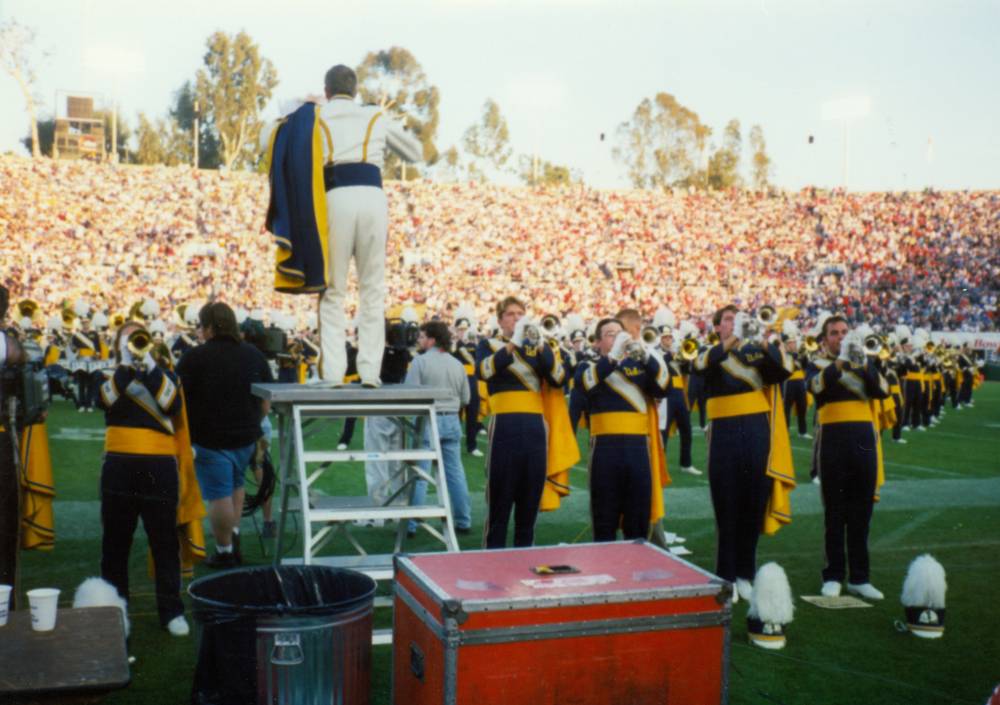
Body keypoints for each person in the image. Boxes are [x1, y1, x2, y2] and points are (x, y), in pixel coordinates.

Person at [261, 65, 422, 387]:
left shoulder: (314, 116)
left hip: (334, 198)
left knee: (332, 290)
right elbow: (415, 152)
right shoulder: (374, 116)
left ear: (327, 89)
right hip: (374, 198)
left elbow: (268, 139)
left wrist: (295, 107)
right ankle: (370, 373)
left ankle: (333, 373)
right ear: (356, 89)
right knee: (372, 289)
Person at [692, 305, 794, 602]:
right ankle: (726, 575)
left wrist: (762, 341)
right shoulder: (710, 352)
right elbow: (698, 367)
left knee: (753, 501)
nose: (734, 323)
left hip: (756, 430)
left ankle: (745, 573)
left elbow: (783, 370)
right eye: (727, 319)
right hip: (723, 431)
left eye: (738, 320)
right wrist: (731, 342)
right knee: (727, 504)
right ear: (717, 327)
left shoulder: (757, 351)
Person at [96, 319, 190, 635]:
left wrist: (149, 365)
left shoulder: (166, 376)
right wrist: (124, 363)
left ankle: (171, 611)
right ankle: (115, 610)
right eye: (126, 340)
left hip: (159, 469)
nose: (133, 345)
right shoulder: (109, 376)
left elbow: (172, 405)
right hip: (118, 467)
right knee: (115, 543)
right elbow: (103, 401)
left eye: (137, 340)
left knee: (164, 540)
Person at [177, 302, 273, 569]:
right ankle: (234, 537)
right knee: (236, 487)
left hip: (210, 440)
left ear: (208, 327)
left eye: (201, 325)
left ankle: (225, 549)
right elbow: (266, 403)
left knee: (219, 495)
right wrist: (250, 425)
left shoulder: (195, 357)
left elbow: (177, 399)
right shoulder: (254, 354)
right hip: (245, 438)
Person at [806, 316, 890, 600]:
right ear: (824, 338)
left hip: (864, 442)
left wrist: (862, 361)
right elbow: (816, 387)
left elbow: (883, 390)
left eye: (844, 332)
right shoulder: (818, 363)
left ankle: (859, 577)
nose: (840, 337)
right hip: (832, 441)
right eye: (834, 333)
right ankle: (833, 575)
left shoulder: (864, 364)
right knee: (835, 512)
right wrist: (841, 362)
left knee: (862, 512)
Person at [476, 296, 568, 548]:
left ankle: (523, 562)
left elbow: (560, 378)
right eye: (510, 314)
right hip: (504, 428)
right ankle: (492, 562)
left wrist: (541, 348)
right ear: (500, 320)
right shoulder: (489, 344)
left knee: (529, 505)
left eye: (520, 314)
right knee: (499, 505)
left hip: (536, 430)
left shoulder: (538, 346)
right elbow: (483, 371)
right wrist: (512, 345)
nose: (516, 318)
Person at [577, 317, 670, 540]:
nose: (617, 337)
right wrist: (613, 357)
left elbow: (664, 387)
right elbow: (585, 385)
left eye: (620, 333)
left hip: (637, 449)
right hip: (604, 451)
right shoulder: (588, 366)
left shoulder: (639, 366)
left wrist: (647, 357)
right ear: (597, 342)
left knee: (637, 520)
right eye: (610, 334)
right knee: (604, 520)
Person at [405, 321, 472, 535]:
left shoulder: (420, 362)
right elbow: (466, 398)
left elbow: (410, 395)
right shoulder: (457, 364)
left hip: (428, 418)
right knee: (455, 473)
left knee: (421, 474)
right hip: (451, 418)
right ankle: (463, 520)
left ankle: (412, 524)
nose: (419, 339)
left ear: (432, 339)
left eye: (422, 336)